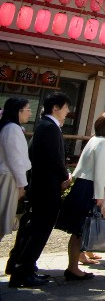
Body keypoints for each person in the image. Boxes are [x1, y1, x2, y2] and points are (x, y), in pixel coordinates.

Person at [6, 92, 72, 288]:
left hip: (41, 186)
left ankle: (21, 265)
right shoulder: (50, 128)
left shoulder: (45, 126)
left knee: (33, 228)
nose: (68, 111)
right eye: (66, 107)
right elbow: (54, 159)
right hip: (46, 187)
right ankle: (24, 270)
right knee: (40, 229)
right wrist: (64, 176)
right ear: (56, 108)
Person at [56, 113, 105, 280]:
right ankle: (73, 268)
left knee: (77, 229)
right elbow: (100, 172)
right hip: (90, 187)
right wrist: (100, 196)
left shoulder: (93, 140)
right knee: (81, 228)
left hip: (81, 184)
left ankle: (73, 265)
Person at [0, 98, 32, 241]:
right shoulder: (12, 128)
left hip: (8, 176)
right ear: (18, 111)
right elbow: (15, 160)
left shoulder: (8, 127)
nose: (30, 113)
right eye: (28, 110)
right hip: (8, 177)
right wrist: (22, 184)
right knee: (2, 219)